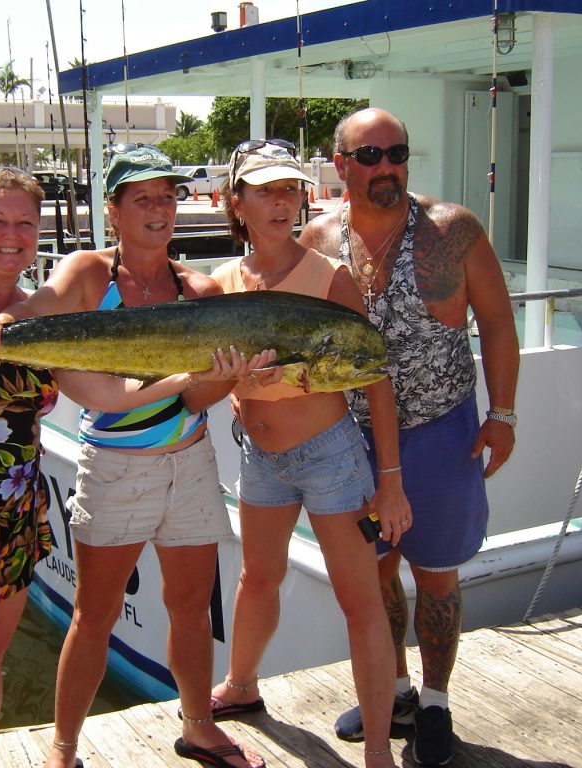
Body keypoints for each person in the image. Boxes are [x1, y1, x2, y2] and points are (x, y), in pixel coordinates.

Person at [0, 167, 246, 768]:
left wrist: (216, 377)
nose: (13, 234)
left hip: (8, 513)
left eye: (26, 223)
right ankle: (59, 752)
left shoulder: (32, 314)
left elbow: (107, 394)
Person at [0, 146, 268, 768]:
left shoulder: (202, 289)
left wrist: (230, 377)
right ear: (114, 210)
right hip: (113, 468)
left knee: (190, 607)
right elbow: (35, 311)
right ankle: (64, 747)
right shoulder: (87, 275)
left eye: (167, 196)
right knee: (96, 614)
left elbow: (199, 399)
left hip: (189, 462)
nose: (158, 210)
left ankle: (198, 725)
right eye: (142, 198)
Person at [300, 107, 520, 767]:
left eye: (396, 152)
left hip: (440, 432)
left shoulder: (452, 231)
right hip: (350, 437)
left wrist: (502, 415)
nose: (387, 167)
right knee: (373, 575)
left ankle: (435, 703)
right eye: (369, 157)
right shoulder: (316, 240)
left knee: (438, 575)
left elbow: (501, 325)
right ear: (340, 166)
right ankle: (391, 688)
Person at [204, 138, 412, 768]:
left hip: (331, 459)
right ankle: (241, 685)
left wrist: (391, 481)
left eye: (289, 189)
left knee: (360, 600)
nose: (279, 202)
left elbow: (376, 380)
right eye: (264, 190)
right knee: (256, 578)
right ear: (235, 202)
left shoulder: (331, 278)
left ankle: (377, 749)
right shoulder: (219, 285)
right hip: (259, 457)